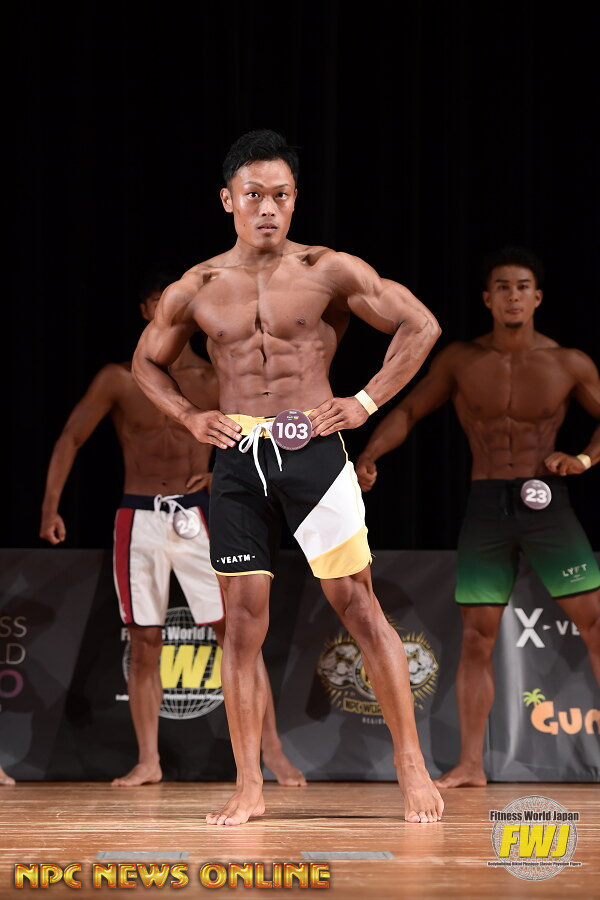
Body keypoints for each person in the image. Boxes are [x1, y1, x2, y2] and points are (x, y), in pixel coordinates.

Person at [131, 128, 444, 825]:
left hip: (314, 451)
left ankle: (412, 766)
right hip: (238, 457)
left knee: (358, 606)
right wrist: (188, 416)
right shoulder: (198, 286)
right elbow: (145, 362)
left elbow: (420, 325)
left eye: (280, 195)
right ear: (228, 200)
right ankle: (249, 786)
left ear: (295, 199)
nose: (267, 207)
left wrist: (364, 403)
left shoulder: (327, 269)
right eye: (253, 195)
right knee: (241, 624)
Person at [40, 275, 305, 788]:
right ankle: (149, 760)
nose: (173, 310)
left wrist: (221, 475)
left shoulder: (215, 376)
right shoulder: (120, 378)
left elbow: (260, 435)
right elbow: (71, 437)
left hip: (199, 515)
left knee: (238, 634)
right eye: (161, 302)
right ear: (146, 311)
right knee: (144, 641)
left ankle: (272, 750)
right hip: (138, 517)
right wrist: (51, 507)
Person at [355, 245, 600, 788]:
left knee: (596, 623)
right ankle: (471, 764)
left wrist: (583, 459)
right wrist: (370, 454)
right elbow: (410, 410)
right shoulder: (462, 361)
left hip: (548, 503)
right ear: (487, 298)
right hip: (487, 506)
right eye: (502, 287)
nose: (513, 296)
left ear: (538, 298)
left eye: (522, 287)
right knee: (476, 638)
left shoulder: (568, 362)